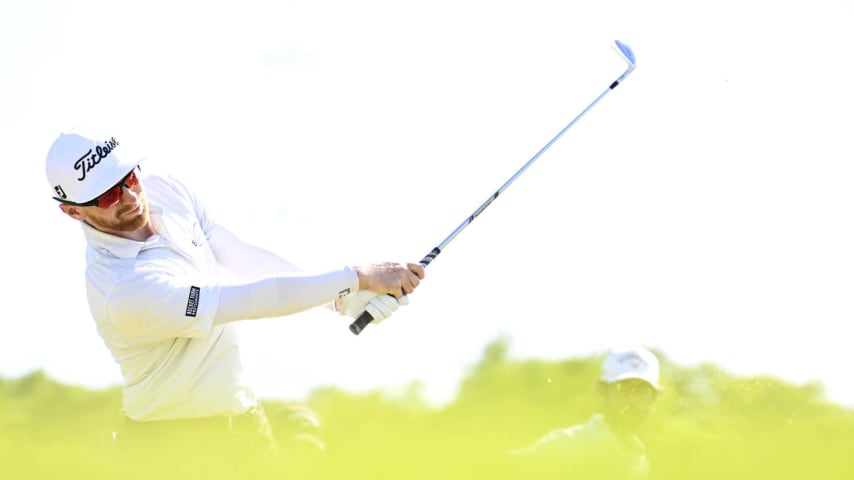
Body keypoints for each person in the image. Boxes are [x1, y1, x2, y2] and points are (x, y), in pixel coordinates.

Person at [44, 129, 425, 463]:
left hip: (244, 425)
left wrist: (341, 300)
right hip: (165, 448)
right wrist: (359, 277)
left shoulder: (165, 191)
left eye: (129, 176)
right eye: (109, 195)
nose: (130, 196)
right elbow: (257, 301)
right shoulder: (122, 288)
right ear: (73, 212)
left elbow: (244, 258)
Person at [509, 346, 662, 480]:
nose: (632, 399)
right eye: (623, 388)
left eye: (642, 390)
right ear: (602, 392)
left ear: (654, 399)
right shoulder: (566, 445)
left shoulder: (640, 460)